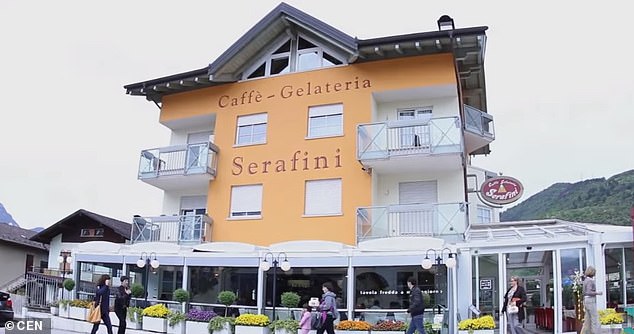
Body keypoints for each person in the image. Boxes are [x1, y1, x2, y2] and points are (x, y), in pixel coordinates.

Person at [581, 266, 602, 334]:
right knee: (594, 318)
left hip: (586, 301)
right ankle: (594, 332)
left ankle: (583, 332)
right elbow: (589, 292)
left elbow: (584, 292)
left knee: (587, 320)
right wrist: (598, 293)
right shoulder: (590, 281)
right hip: (590, 301)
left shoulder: (585, 280)